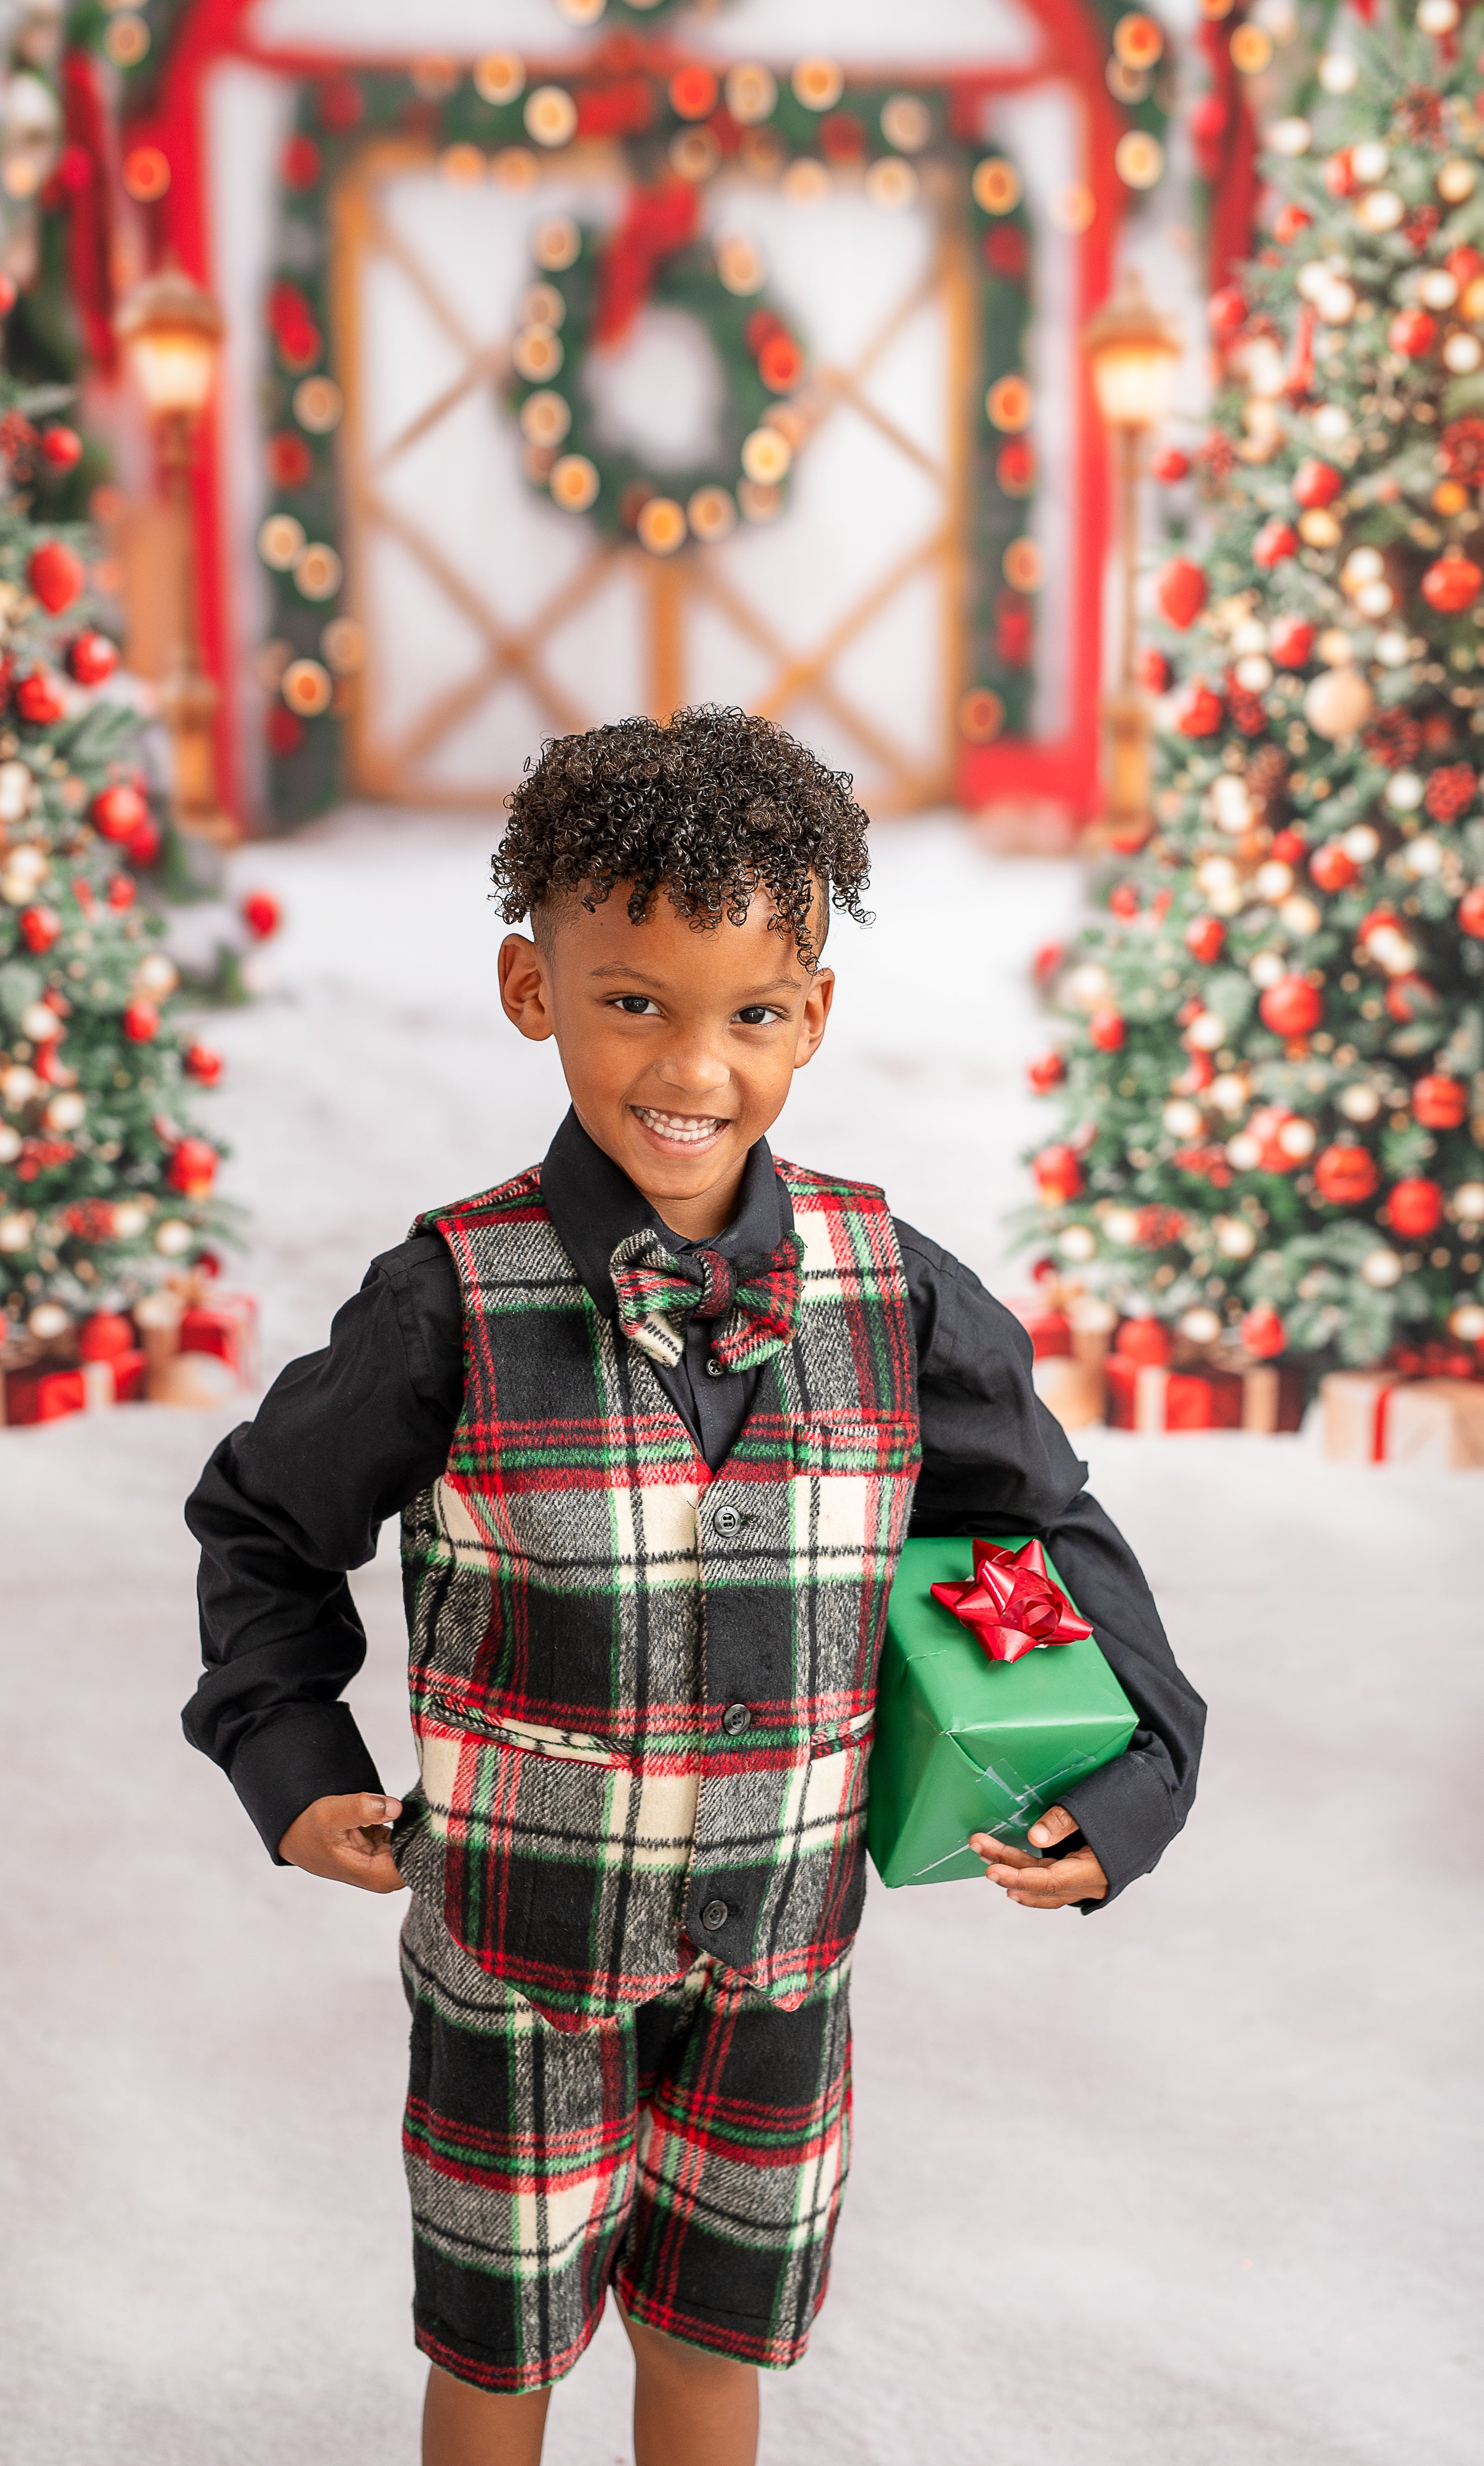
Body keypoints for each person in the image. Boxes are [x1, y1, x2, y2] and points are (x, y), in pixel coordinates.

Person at [184, 706, 1205, 2466]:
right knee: (501, 2352)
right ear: (535, 990)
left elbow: (1045, 1519)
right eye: (630, 999)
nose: (692, 1065)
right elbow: (265, 1519)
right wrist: (289, 1759)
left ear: (811, 1014)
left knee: (713, 2333)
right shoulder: (453, 1298)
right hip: (519, 1945)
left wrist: (1140, 1774)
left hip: (783, 1952)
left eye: (749, 1014)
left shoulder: (896, 1292)